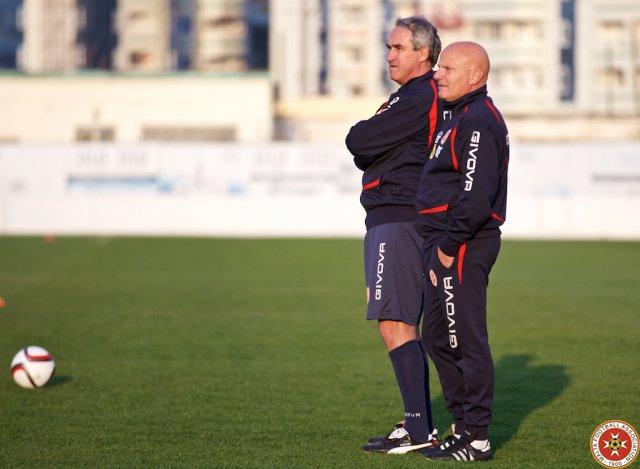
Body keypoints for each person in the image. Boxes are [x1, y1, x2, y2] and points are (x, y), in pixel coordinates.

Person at [345, 16, 441, 454]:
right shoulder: (409, 96)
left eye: (398, 47)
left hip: (399, 219)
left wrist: (367, 141)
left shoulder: (419, 96)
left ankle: (420, 431)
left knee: (395, 322)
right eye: (389, 47)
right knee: (398, 321)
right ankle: (417, 424)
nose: (389, 55)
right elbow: (366, 149)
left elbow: (359, 140)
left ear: (423, 53)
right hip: (393, 218)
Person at [415, 41, 509, 462]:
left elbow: (475, 195)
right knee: (438, 338)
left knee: (463, 338)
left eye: (448, 68)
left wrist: (449, 246)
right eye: (438, 67)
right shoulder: (457, 116)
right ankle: (460, 426)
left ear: (475, 75)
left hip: (463, 243)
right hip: (444, 242)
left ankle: (477, 436)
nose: (438, 73)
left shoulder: (479, 120)